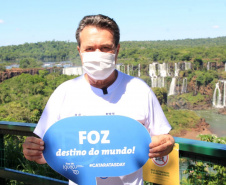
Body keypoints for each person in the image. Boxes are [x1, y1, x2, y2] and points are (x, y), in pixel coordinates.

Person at [23, 14, 175, 185]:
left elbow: (164, 138)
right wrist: (32, 150)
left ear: (117, 50)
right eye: (89, 48)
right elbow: (44, 149)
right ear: (79, 51)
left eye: (105, 48)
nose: (97, 54)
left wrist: (166, 143)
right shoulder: (63, 93)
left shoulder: (140, 90)